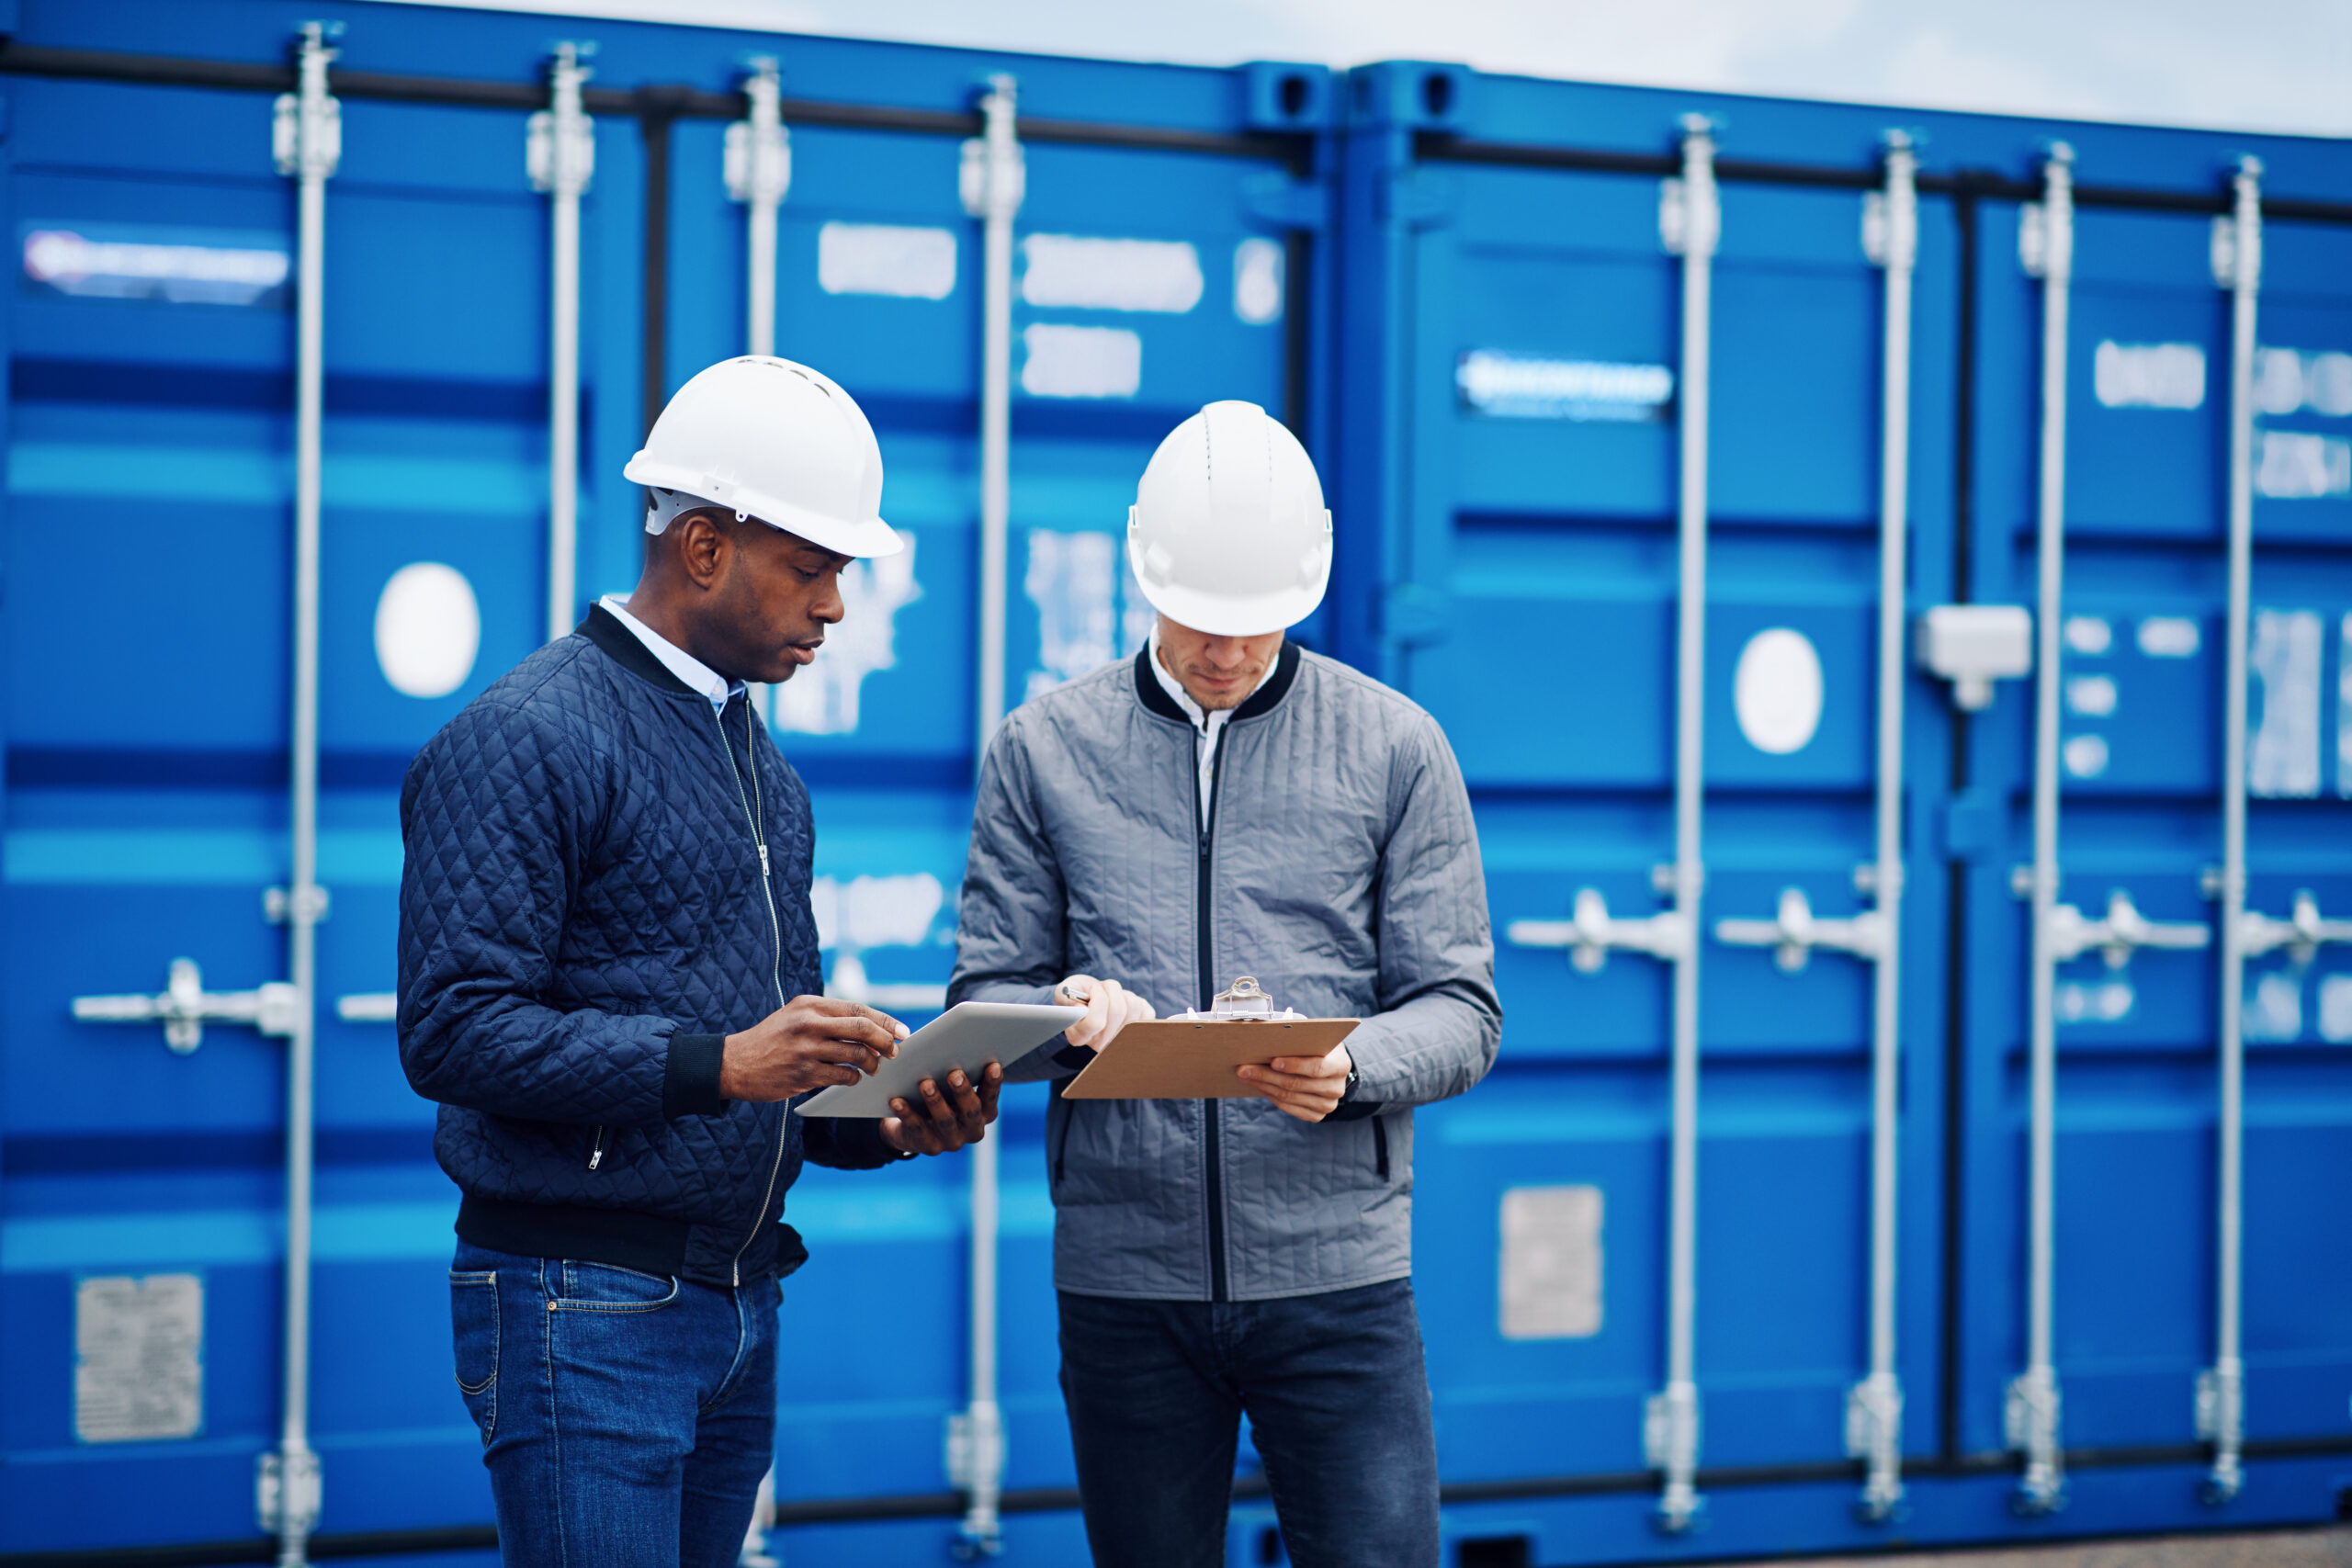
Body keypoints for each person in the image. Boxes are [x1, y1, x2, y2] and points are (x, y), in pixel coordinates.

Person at [398, 355, 1001, 1568]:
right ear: (707, 546)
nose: (835, 607)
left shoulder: (760, 764)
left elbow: (761, 1076)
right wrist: (722, 1062)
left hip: (737, 1302)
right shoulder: (525, 735)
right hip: (582, 1306)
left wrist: (887, 1122)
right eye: (812, 568)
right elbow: (453, 1028)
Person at [948, 400, 1501, 1568]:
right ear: (1144, 571)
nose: (1228, 652)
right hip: (1125, 1284)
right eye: (1202, 619)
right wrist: (1061, 1019)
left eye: (1258, 624)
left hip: (1339, 1283)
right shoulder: (1041, 750)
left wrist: (1353, 1067)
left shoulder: (1396, 747)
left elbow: (1461, 1010)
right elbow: (983, 999)